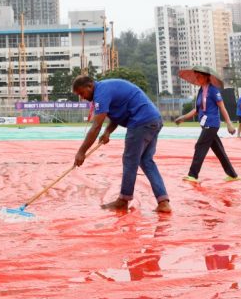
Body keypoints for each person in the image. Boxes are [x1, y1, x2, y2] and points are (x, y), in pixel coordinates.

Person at [72, 76, 171, 213]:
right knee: (146, 161)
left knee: (130, 160)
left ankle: (123, 200)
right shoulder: (105, 88)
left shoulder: (101, 93)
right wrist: (108, 132)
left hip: (141, 122)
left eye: (82, 93)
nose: (82, 97)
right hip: (153, 120)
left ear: (90, 86)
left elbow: (96, 126)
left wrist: (81, 151)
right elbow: (119, 114)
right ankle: (163, 202)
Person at [173, 68, 239, 182]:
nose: (197, 78)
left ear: (206, 77)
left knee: (200, 146)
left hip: (211, 123)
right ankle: (233, 175)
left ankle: (193, 175)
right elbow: (197, 109)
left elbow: (222, 107)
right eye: (196, 76)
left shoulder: (214, 90)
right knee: (219, 150)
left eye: (199, 76)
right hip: (205, 124)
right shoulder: (200, 90)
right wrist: (183, 117)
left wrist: (229, 124)